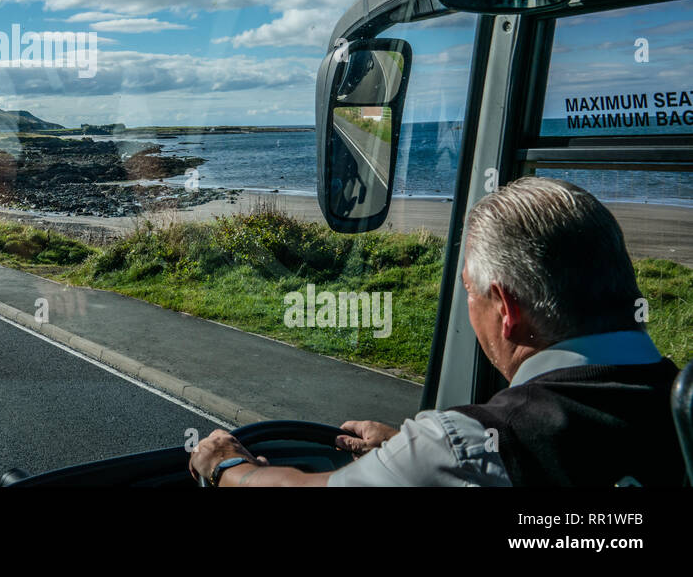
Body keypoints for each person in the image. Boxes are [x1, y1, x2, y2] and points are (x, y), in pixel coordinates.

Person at [189, 176, 684, 486]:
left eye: (470, 292)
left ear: (507, 310)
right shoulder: (680, 402)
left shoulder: (462, 446)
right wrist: (403, 453)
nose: (469, 308)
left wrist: (230, 468)